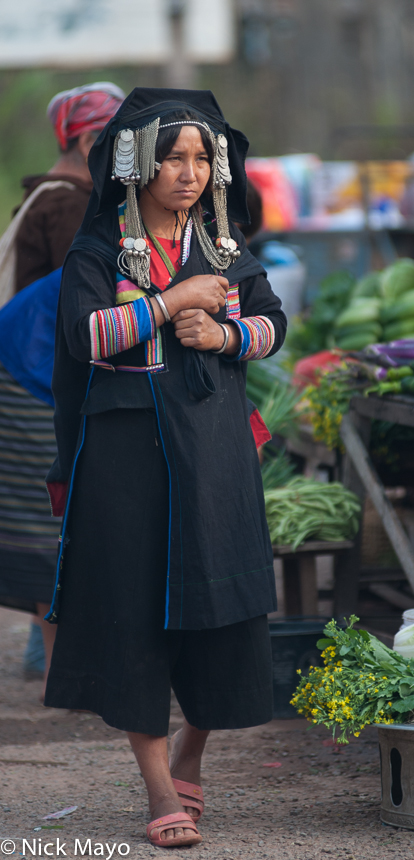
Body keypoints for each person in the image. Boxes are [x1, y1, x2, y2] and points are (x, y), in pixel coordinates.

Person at [43, 88, 287, 848]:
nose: (189, 171)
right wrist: (171, 301)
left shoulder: (225, 248)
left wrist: (224, 337)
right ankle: (157, 790)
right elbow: (88, 336)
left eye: (201, 157)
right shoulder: (98, 253)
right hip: (128, 460)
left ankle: (191, 751)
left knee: (223, 611)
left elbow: (273, 323)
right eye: (173, 157)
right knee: (136, 616)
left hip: (215, 452)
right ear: (137, 164)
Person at [0, 83, 124, 693]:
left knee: (44, 516)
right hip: (31, 373)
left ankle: (43, 652)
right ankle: (56, 670)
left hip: (25, 365)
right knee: (51, 515)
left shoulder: (45, 196)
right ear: (85, 140)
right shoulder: (70, 203)